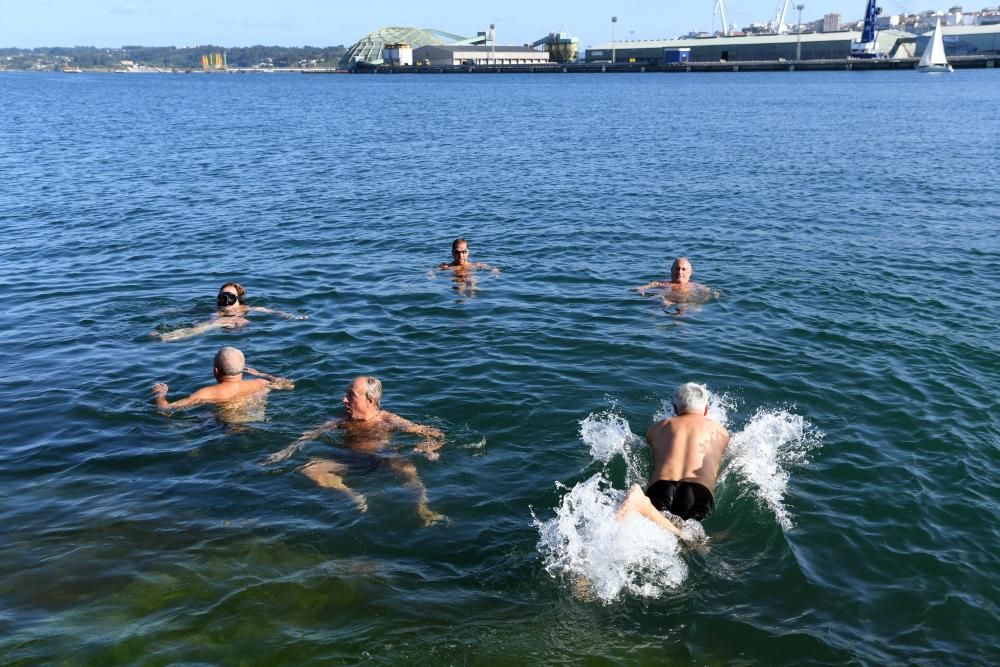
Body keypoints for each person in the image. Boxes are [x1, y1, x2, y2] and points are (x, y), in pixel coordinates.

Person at [266, 376, 446, 526]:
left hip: (382, 457)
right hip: (348, 459)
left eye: (351, 396)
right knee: (309, 469)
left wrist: (427, 448)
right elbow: (311, 434)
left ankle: (422, 507)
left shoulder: (389, 420)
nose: (344, 399)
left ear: (370, 401)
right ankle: (353, 496)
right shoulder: (342, 420)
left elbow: (435, 434)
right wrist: (287, 450)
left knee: (409, 471)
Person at [617, 382, 730, 539]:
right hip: (697, 492)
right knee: (692, 541)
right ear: (706, 410)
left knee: (672, 532)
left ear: (675, 409)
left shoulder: (657, 428)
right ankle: (641, 503)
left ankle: (645, 505)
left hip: (660, 489)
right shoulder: (720, 432)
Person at [152, 346, 294, 421]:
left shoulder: (207, 393)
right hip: (256, 422)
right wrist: (260, 374)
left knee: (204, 415)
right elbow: (289, 385)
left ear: (215, 371)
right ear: (242, 369)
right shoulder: (261, 383)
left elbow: (166, 409)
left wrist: (160, 395)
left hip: (225, 429)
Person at [152, 282, 306, 342]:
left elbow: (273, 312)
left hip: (236, 325)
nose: (225, 302)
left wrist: (292, 317)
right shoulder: (213, 309)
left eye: (230, 298)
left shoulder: (246, 309)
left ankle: (166, 337)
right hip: (214, 324)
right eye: (222, 297)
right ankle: (167, 335)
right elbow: (188, 310)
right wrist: (170, 311)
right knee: (205, 323)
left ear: (238, 299)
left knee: (209, 324)